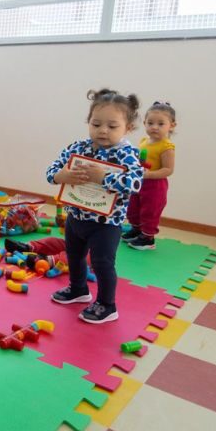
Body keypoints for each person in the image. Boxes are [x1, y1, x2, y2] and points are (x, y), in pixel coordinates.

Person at [45, 88, 144, 324]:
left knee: (102, 263)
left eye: (112, 126)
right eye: (96, 123)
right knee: (74, 255)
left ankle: (107, 305)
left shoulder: (127, 154)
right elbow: (50, 173)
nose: (102, 130)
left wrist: (104, 178)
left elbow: (135, 183)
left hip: (106, 224)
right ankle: (78, 289)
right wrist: (62, 176)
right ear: (88, 122)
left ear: (127, 128)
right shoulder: (77, 148)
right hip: (76, 216)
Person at [123, 101, 177, 250]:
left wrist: (149, 174)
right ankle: (137, 229)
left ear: (171, 125)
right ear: (145, 123)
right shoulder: (144, 141)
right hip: (139, 181)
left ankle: (148, 238)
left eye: (161, 124)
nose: (154, 127)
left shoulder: (167, 147)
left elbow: (168, 169)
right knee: (133, 207)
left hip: (155, 185)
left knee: (150, 211)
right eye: (150, 123)